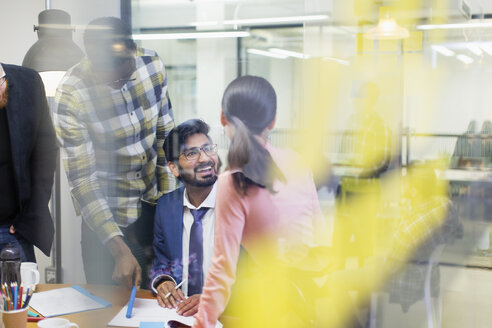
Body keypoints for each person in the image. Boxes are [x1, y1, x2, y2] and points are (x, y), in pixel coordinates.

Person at [53, 17, 177, 289]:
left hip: (151, 208)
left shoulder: (152, 65)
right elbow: (84, 181)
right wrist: (120, 250)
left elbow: (166, 139)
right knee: (108, 310)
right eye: (108, 81)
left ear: (133, 49)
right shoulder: (71, 96)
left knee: (161, 302)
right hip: (106, 220)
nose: (117, 85)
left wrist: (171, 210)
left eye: (124, 77)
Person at [194, 75, 322, 328]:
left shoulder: (233, 181)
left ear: (222, 117)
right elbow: (318, 233)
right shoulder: (297, 161)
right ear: (272, 121)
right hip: (312, 302)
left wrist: (201, 324)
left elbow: (222, 271)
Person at [149, 119, 219, 317]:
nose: (205, 158)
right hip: (179, 315)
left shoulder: (242, 204)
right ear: (174, 168)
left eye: (207, 148)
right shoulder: (166, 207)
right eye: (191, 153)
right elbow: (161, 262)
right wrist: (163, 281)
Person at [0, 63, 57, 261]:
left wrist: (31, 213)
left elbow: (45, 152)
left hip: (12, 231)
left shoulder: (27, 83)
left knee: (23, 292)